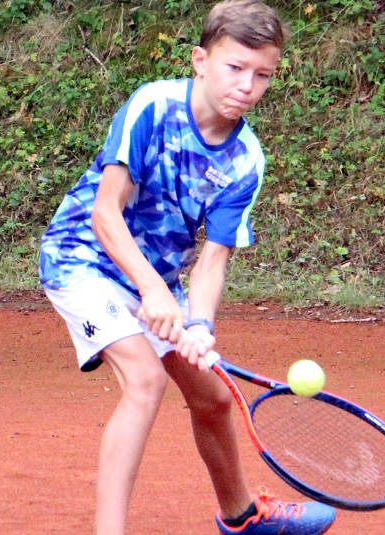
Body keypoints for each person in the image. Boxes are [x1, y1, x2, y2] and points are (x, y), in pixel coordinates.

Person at [38, 1, 336, 533]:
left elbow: (212, 261)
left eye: (262, 74)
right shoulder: (152, 107)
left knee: (214, 398)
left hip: (156, 276)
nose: (247, 85)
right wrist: (152, 292)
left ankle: (242, 516)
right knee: (146, 380)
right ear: (201, 60)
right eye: (235, 67)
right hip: (80, 256)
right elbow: (106, 213)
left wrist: (198, 323)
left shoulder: (246, 160)